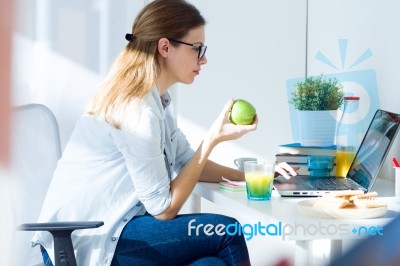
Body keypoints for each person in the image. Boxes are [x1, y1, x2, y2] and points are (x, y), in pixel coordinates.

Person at [33, 0, 296, 265]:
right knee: (228, 231)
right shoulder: (137, 111)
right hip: (89, 239)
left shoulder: (157, 101)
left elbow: (186, 161)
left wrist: (257, 177)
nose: (204, 59)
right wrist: (212, 140)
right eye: (198, 49)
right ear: (165, 47)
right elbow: (164, 209)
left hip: (119, 227)